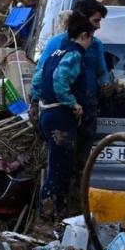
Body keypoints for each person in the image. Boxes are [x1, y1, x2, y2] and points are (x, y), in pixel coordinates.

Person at [30, 0, 110, 196]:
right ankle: (52, 211)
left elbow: (102, 73)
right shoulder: (57, 44)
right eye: (95, 21)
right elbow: (43, 73)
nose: (98, 26)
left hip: (87, 109)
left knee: (80, 164)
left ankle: (74, 209)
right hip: (64, 110)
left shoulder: (96, 45)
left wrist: (109, 87)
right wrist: (36, 101)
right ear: (81, 19)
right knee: (59, 164)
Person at [30, 12, 95, 219]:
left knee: (54, 167)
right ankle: (50, 219)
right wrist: (72, 103)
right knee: (60, 172)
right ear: (84, 35)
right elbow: (60, 79)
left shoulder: (54, 53)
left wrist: (41, 100)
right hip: (61, 118)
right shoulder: (74, 55)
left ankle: (51, 216)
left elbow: (38, 80)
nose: (91, 42)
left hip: (47, 115)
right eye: (91, 37)